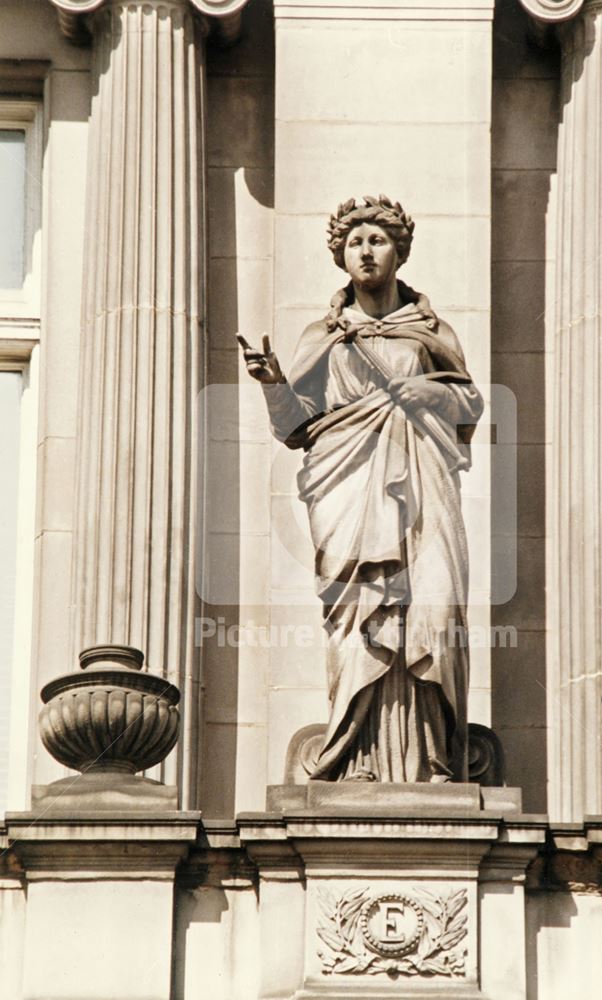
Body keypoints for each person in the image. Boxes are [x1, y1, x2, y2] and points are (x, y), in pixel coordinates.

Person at [238, 195, 483, 782]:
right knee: (359, 621)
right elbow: (294, 426)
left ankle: (433, 758)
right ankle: (356, 757)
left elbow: (469, 403)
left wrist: (433, 394)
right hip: (347, 488)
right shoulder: (322, 336)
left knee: (434, 608)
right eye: (355, 243)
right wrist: (274, 381)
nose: (366, 251)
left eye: (377, 240)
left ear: (398, 251)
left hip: (424, 489)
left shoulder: (430, 332)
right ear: (341, 258)